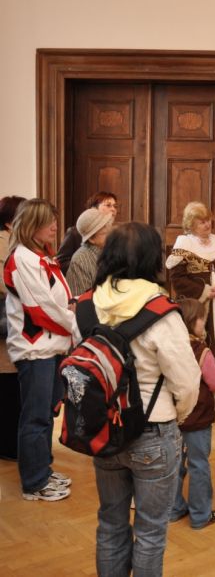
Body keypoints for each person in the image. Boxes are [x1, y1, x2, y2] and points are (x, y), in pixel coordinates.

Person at [91, 222, 200, 575]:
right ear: (154, 259)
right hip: (153, 429)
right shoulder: (161, 312)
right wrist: (177, 417)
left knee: (110, 523)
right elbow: (187, 382)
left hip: (104, 428)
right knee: (151, 531)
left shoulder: (89, 304)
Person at [3, 199, 75, 501]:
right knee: (35, 417)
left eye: (55, 219)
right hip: (35, 350)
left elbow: (56, 300)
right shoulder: (23, 258)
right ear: (32, 225)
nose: (55, 226)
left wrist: (72, 309)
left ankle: (42, 470)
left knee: (45, 414)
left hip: (50, 347)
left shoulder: (40, 256)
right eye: (49, 221)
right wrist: (75, 323)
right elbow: (41, 309)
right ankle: (34, 482)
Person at [167, 201, 215, 400]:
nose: (207, 225)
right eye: (202, 222)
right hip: (197, 306)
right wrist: (204, 292)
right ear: (191, 224)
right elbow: (177, 279)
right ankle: (203, 395)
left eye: (208, 220)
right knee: (200, 344)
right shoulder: (183, 244)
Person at [170, 298, 215, 530]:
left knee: (174, 465)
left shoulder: (170, 348)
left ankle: (174, 509)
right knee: (199, 464)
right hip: (198, 418)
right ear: (192, 321)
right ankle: (200, 515)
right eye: (202, 318)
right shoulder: (202, 351)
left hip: (173, 416)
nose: (204, 323)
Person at [0, 196, 27, 461]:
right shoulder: (4, 245)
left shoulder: (18, 245)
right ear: (10, 222)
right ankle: (9, 446)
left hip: (15, 329)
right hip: (6, 328)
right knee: (8, 390)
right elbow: (7, 284)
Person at [56, 191, 118, 274]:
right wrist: (84, 264)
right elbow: (61, 262)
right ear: (94, 209)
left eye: (115, 206)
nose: (113, 209)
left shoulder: (117, 232)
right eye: (108, 205)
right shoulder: (75, 232)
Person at [66, 207, 114, 297]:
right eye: (104, 233)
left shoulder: (111, 250)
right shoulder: (80, 260)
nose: (109, 235)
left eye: (109, 230)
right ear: (91, 239)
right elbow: (81, 299)